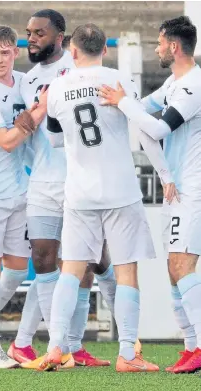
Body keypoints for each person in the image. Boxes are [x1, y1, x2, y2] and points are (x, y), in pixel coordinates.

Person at [36, 22, 178, 373]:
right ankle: (128, 353)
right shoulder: (119, 79)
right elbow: (142, 125)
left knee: (70, 270)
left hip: (79, 192)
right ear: (105, 49)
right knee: (127, 269)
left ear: (72, 50)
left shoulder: (57, 87)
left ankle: (56, 347)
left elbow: (54, 139)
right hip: (120, 190)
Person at [7, 10, 114, 368]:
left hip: (80, 180)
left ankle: (74, 345)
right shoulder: (28, 80)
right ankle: (51, 345)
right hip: (41, 180)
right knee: (43, 259)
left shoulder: (80, 68)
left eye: (39, 32)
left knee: (85, 264)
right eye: (28, 32)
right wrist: (22, 122)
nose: (31, 38)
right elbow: (24, 129)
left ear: (60, 36)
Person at [98, 16, 201, 374]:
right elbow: (142, 113)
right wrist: (121, 101)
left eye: (159, 42)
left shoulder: (193, 85)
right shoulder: (173, 81)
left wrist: (123, 103)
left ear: (174, 46)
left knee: (182, 265)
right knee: (174, 270)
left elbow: (156, 126)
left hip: (195, 189)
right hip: (178, 189)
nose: (155, 48)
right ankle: (191, 348)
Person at [0, 25, 47, 369]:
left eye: (5, 52)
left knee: (17, 270)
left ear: (14, 52)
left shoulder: (24, 81)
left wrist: (30, 118)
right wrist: (34, 116)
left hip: (21, 190)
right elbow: (5, 141)